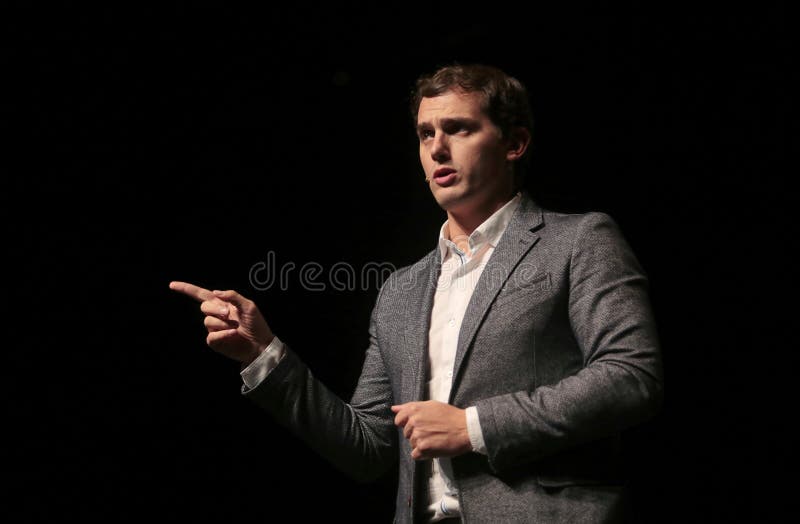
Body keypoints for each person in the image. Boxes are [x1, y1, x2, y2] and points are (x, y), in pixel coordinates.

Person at [170, 63, 663, 523]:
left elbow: (631, 375)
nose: (437, 149)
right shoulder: (401, 290)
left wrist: (472, 428)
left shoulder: (577, 240)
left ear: (514, 143)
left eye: (459, 129)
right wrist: (264, 355)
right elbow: (368, 446)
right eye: (426, 134)